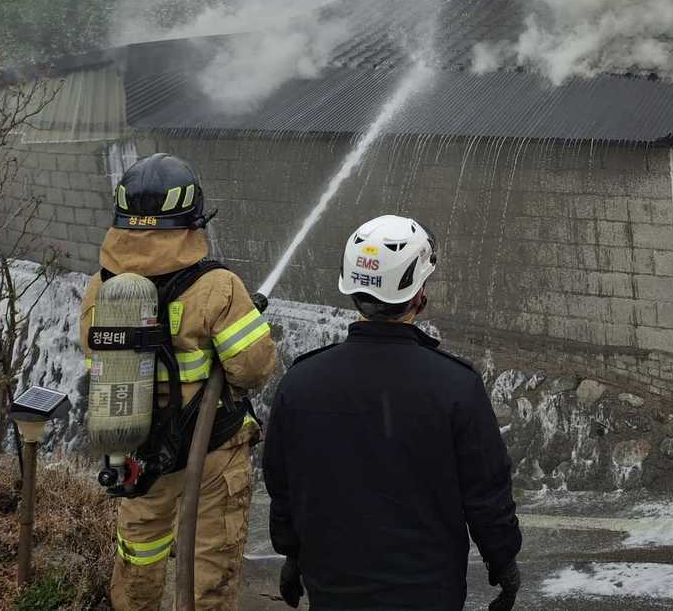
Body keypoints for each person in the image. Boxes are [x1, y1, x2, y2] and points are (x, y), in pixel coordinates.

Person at [264, 214, 523, 610]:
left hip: (333, 587)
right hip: (427, 591)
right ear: (419, 294)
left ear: (352, 291)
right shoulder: (455, 385)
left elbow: (282, 483)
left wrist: (292, 553)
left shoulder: (301, 382)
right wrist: (502, 560)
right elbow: (486, 493)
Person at [80, 153, 277, 610]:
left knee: (140, 547)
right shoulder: (218, 286)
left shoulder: (101, 286)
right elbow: (254, 369)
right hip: (212, 451)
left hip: (137, 447)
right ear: (190, 218)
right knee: (212, 558)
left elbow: (94, 353)